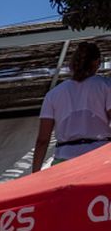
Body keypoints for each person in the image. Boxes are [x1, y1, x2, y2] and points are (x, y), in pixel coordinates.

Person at [33, 41, 111, 172]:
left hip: (64, 160)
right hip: (99, 157)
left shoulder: (53, 94)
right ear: (97, 62)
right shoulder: (106, 86)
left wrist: (35, 174)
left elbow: (42, 140)